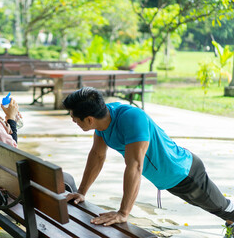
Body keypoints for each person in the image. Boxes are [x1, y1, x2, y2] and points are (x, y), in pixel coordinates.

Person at [63, 87, 234, 238]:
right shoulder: (103, 122)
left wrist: (123, 212)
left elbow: (135, 166)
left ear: (90, 119)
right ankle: (230, 222)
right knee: (217, 208)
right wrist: (81, 192)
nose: (73, 121)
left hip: (185, 174)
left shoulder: (132, 118)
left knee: (222, 208)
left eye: (74, 117)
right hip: (169, 179)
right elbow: (97, 155)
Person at [0, 67, 77, 192]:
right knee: (67, 180)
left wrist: (9, 118)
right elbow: (12, 153)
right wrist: (11, 119)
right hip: (4, 183)